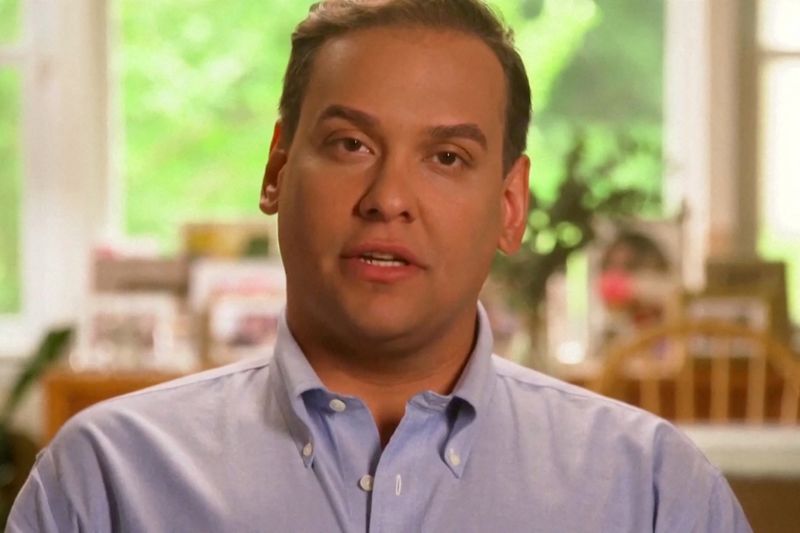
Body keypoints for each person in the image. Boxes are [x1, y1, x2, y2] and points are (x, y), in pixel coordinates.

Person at [9, 1, 751, 531]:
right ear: (275, 170)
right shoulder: (104, 481)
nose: (389, 198)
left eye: (447, 157)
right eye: (350, 145)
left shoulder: (652, 491)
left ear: (510, 206)